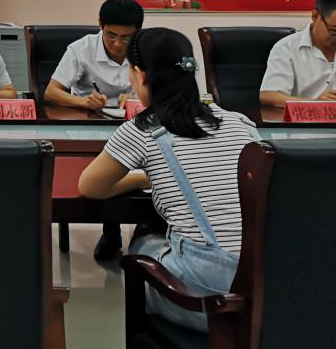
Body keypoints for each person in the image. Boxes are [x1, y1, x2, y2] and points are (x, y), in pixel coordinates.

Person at [78, 28, 260, 333]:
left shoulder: (143, 129)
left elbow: (90, 186)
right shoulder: (239, 122)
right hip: (266, 282)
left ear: (140, 75)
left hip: (210, 296)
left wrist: (140, 180)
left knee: (143, 242)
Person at [44, 0, 144, 261]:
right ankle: (111, 230)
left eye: (126, 37)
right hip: (89, 127)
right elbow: (51, 93)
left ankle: (144, 228)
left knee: (154, 162)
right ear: (100, 25)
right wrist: (83, 101)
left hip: (134, 126)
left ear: (138, 32)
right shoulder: (81, 49)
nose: (118, 44)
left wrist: (138, 99)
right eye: (111, 35)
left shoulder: (145, 49)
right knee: (102, 169)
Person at [259, 0, 336, 108]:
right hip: (304, 119)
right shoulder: (286, 48)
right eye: (333, 31)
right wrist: (316, 104)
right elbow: (269, 95)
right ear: (315, 16)